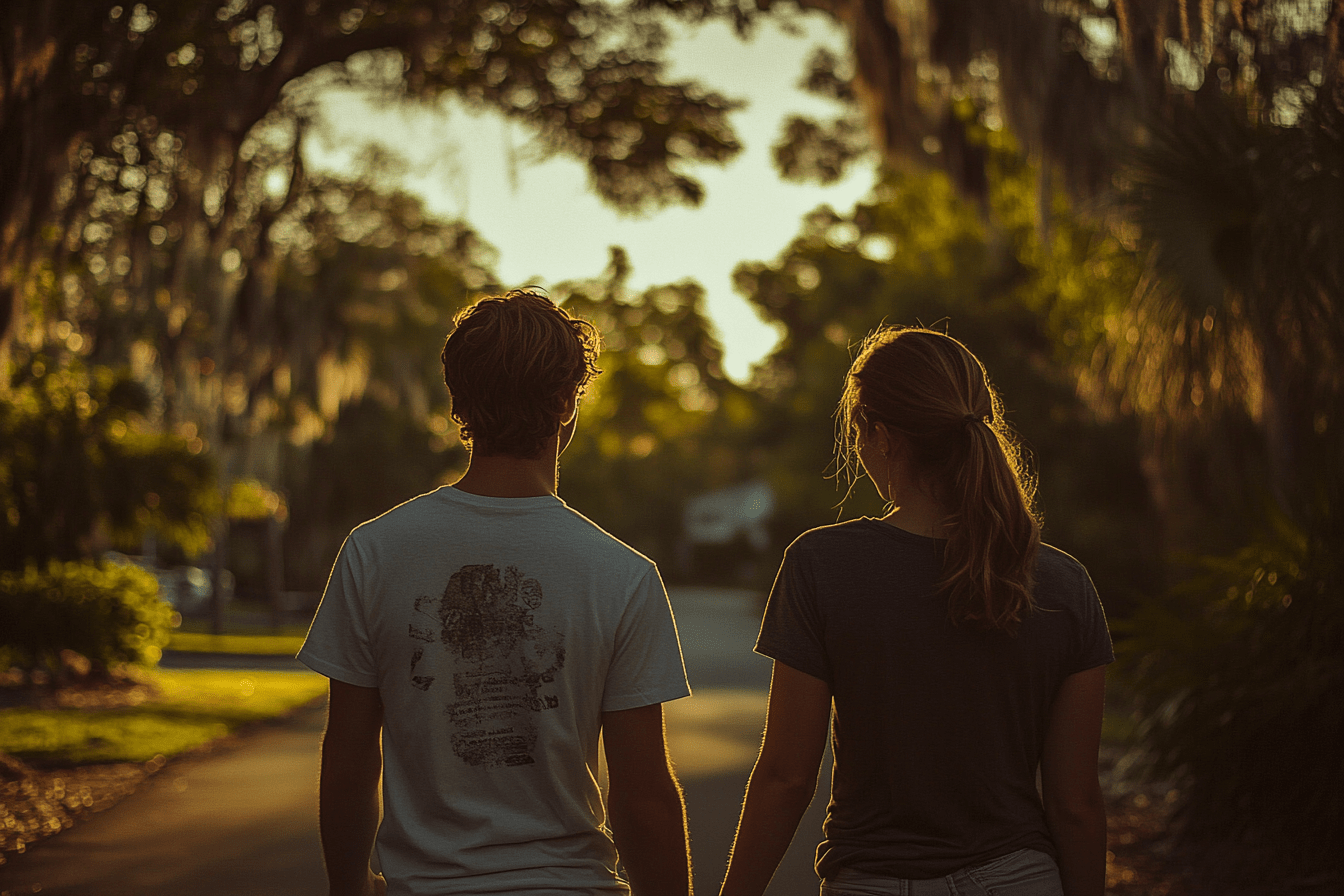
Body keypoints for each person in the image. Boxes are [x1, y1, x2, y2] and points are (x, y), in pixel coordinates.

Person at [299, 289, 693, 896]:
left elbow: (349, 757)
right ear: (567, 403)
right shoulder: (621, 573)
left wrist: (349, 888)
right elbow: (643, 796)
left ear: (458, 401)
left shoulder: (374, 551)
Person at [719, 327, 1112, 896]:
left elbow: (786, 777)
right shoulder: (1063, 582)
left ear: (881, 436)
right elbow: (1076, 804)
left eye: (857, 432)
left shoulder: (821, 565)